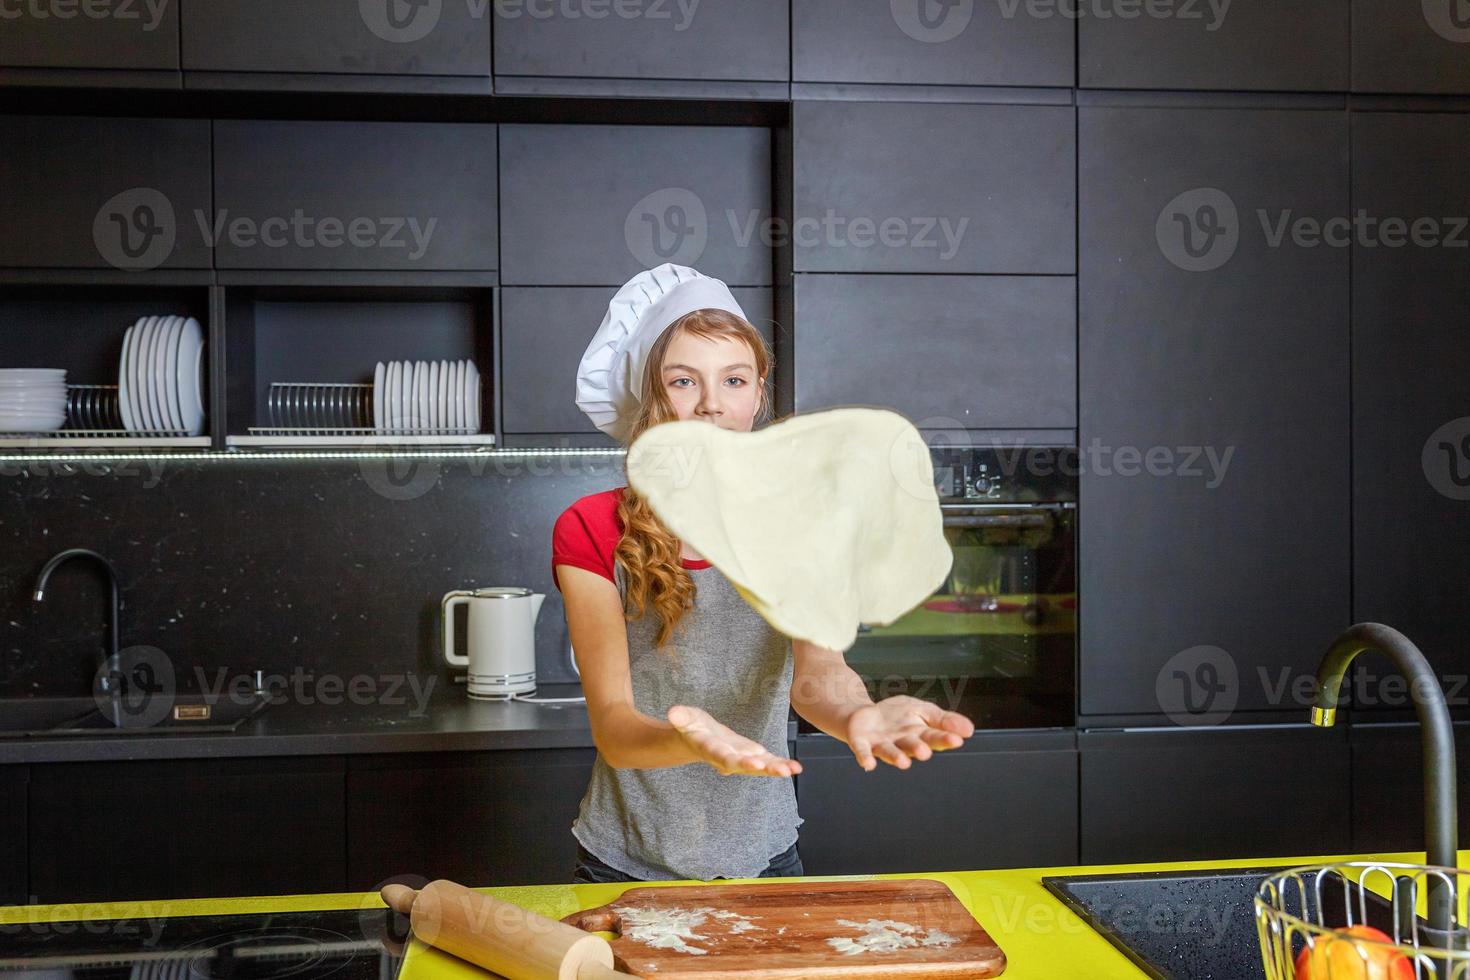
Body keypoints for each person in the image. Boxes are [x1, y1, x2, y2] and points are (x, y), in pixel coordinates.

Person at [552, 263, 976, 884]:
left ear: (757, 394)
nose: (710, 405)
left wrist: (858, 715)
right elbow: (614, 728)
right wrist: (689, 743)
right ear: (654, 396)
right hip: (624, 860)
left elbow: (819, 675)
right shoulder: (591, 527)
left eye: (733, 380)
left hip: (766, 855)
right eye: (682, 381)